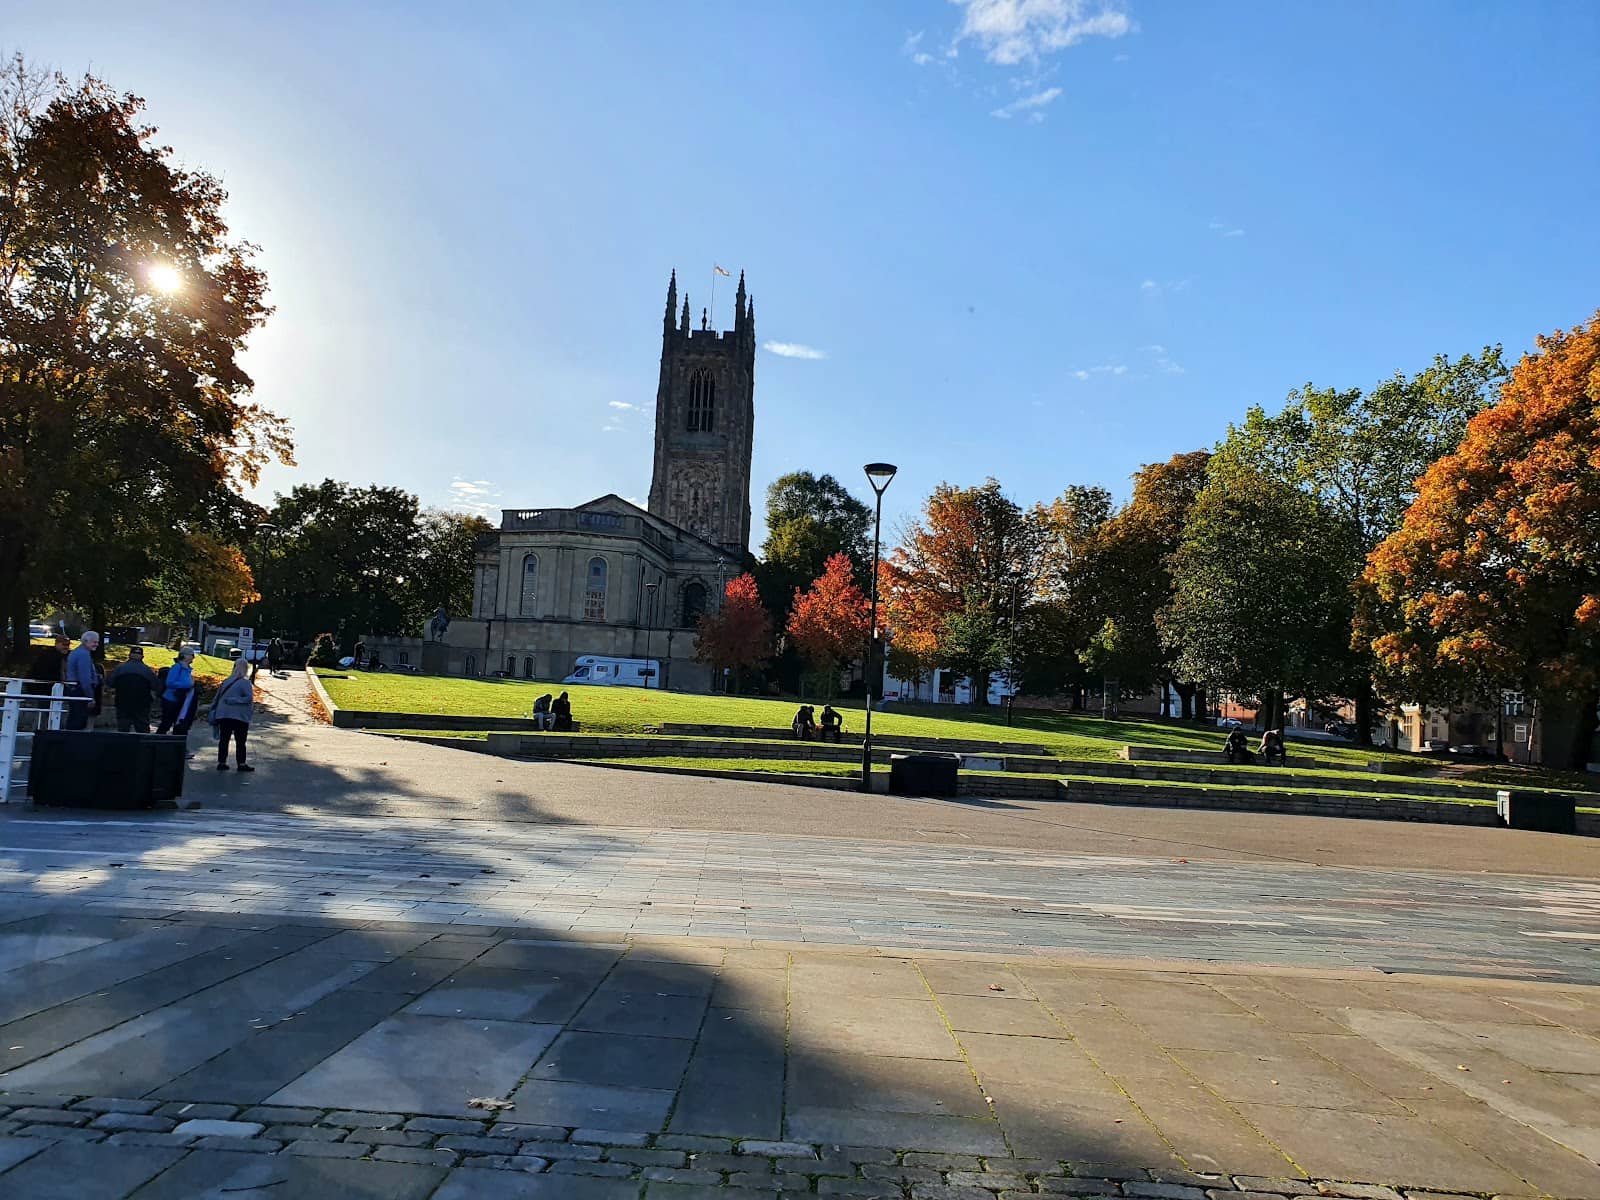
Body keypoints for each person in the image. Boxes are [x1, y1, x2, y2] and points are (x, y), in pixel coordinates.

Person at [210, 659, 256, 771]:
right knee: (240, 741)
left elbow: (217, 697)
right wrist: (235, 700)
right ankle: (241, 763)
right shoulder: (245, 683)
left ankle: (221, 762)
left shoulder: (227, 681)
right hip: (240, 716)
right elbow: (248, 698)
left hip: (224, 715)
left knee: (224, 739)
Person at [109, 646, 159, 733]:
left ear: (129, 655)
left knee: (123, 728)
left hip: (122, 702)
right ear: (142, 656)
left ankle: (121, 745)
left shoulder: (119, 668)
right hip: (142, 703)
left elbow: (110, 683)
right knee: (142, 729)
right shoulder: (147, 670)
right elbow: (155, 686)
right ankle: (142, 745)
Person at [157, 648, 200, 736]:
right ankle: (157, 742)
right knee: (166, 723)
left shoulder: (187, 669)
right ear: (184, 656)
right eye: (191, 655)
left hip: (181, 700)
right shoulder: (177, 667)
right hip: (171, 699)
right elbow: (170, 682)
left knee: (179, 723)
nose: (193, 657)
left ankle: (176, 744)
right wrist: (187, 685)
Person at [64, 631, 100, 730]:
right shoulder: (83, 655)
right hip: (80, 690)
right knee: (78, 721)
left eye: (97, 642)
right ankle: (73, 743)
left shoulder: (77, 652)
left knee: (74, 718)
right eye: (94, 642)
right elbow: (85, 678)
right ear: (85, 641)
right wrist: (90, 697)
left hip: (74, 688)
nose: (96, 644)